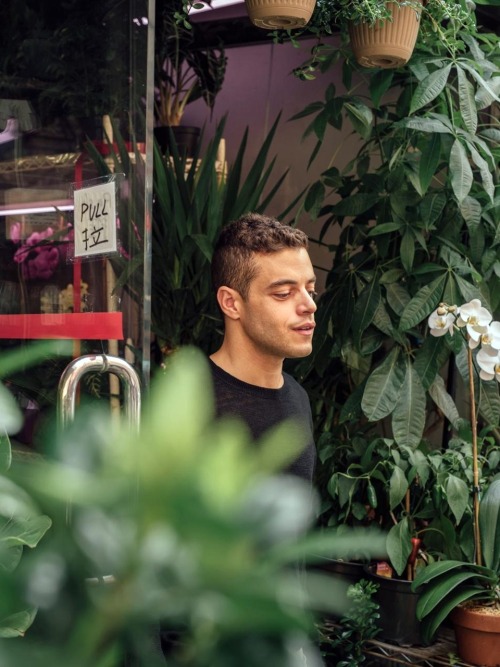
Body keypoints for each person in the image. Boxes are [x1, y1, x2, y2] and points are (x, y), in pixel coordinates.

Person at [209, 212, 317, 482]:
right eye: (283, 294)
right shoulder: (192, 403)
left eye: (311, 290)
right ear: (231, 303)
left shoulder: (298, 398)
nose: (309, 306)